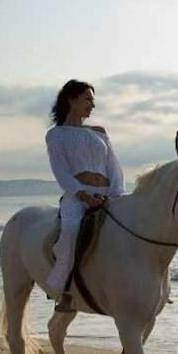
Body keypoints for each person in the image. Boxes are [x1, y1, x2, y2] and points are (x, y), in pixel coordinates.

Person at [45, 79, 126, 311]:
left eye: (93, 100)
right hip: (77, 197)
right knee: (71, 231)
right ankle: (65, 290)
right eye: (87, 99)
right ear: (72, 100)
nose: (92, 105)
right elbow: (61, 172)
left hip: (108, 195)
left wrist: (116, 196)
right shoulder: (56, 135)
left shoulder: (100, 133)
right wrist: (83, 195)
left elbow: (114, 167)